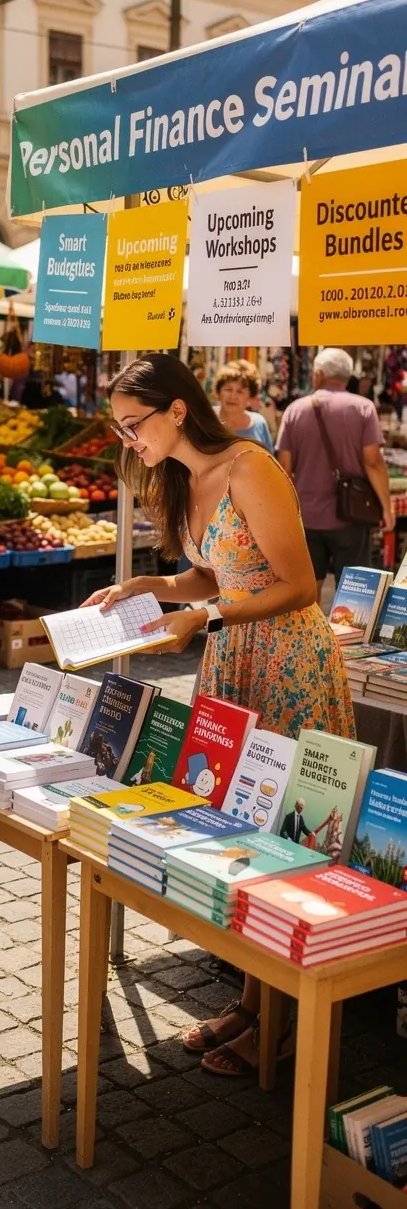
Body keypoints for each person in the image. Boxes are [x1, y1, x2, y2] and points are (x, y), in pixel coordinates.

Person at [82, 352, 355, 1077]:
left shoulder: (248, 465)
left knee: (283, 839)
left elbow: (297, 586)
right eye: (119, 428)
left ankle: (284, 1022)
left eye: (134, 424)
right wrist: (146, 587)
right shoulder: (185, 477)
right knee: (243, 830)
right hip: (233, 655)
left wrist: (201, 617)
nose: (129, 440)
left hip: (287, 662)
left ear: (177, 410)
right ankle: (253, 1001)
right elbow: (213, 571)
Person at [276, 348, 394, 603]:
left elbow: (283, 468)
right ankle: (349, 641)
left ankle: (311, 640)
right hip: (351, 516)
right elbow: (373, 462)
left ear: (317, 374)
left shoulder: (295, 410)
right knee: (354, 592)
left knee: (308, 591)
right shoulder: (364, 408)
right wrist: (386, 508)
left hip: (305, 517)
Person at [213, 360, 274, 453]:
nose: (233, 396)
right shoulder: (206, 420)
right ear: (218, 392)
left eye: (240, 391)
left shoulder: (259, 424)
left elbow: (269, 464)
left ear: (250, 396)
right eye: (228, 389)